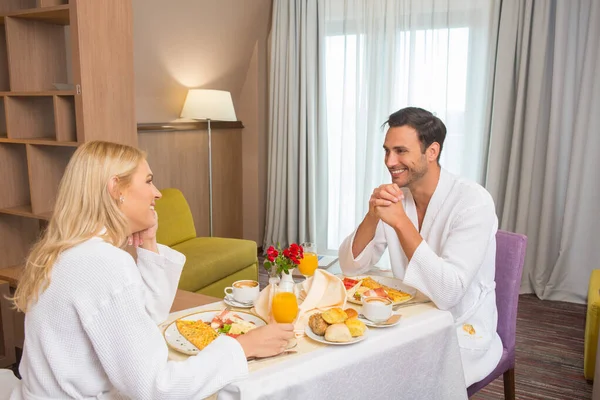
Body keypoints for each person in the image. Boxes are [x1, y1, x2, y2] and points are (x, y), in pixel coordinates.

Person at [10, 141, 294, 399]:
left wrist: (148, 242)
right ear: (116, 189)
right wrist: (245, 346)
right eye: (148, 181)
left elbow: (146, 318)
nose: (157, 193)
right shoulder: (103, 263)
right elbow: (156, 388)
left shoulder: (68, 251)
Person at [338, 107, 502, 386]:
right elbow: (351, 266)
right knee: (345, 357)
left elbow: (448, 293)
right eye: (386, 151)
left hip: (460, 325)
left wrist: (402, 224)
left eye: (401, 151)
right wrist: (373, 214)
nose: (390, 161)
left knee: (394, 378)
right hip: (407, 316)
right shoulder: (397, 197)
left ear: (432, 151)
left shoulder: (473, 202)